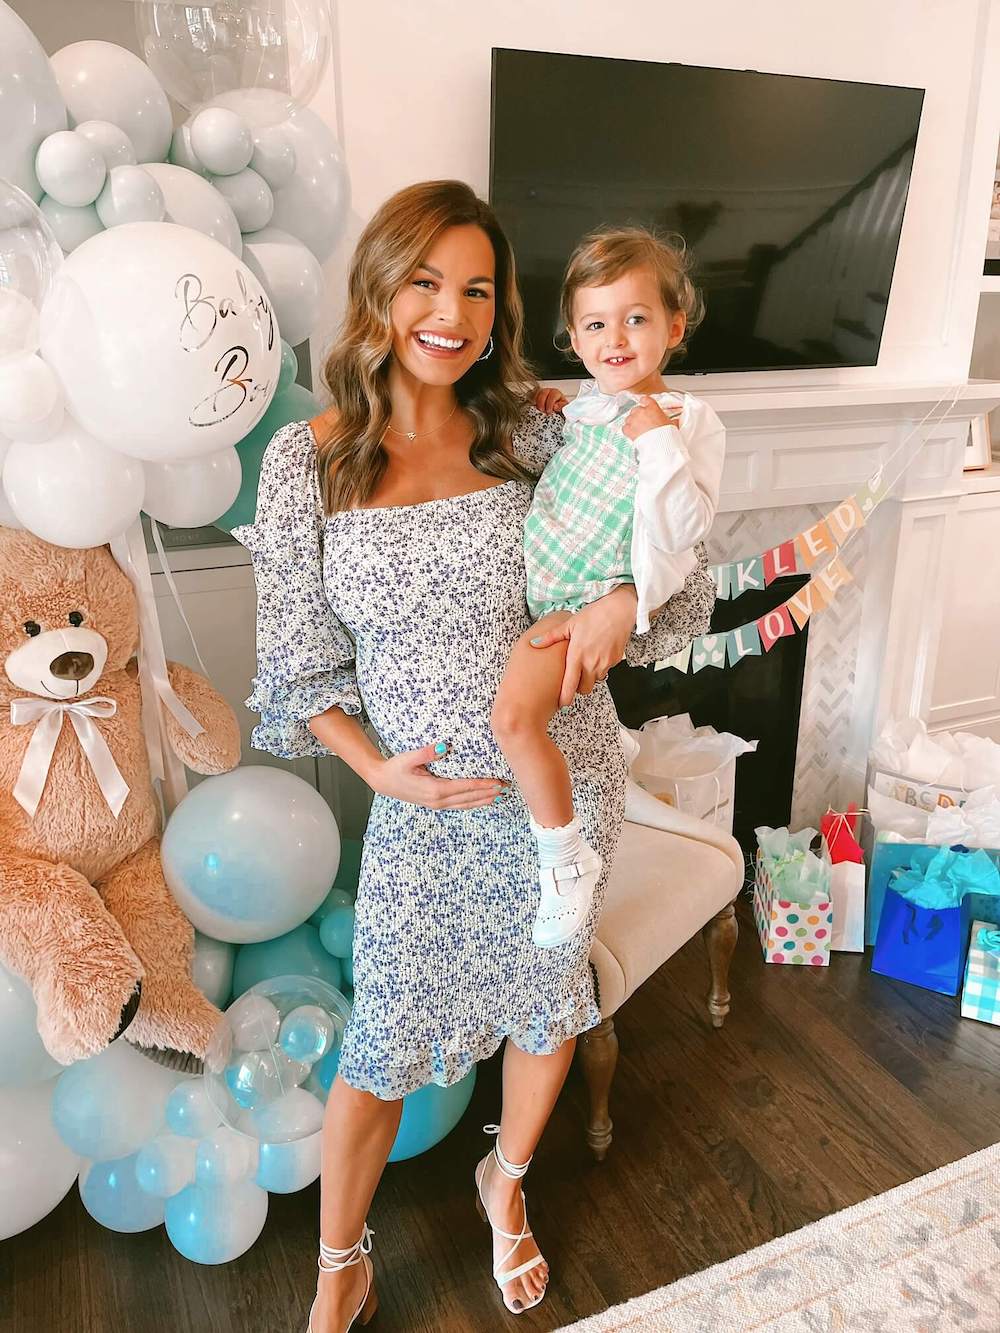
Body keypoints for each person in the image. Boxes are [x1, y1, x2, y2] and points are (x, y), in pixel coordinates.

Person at [234, 180, 715, 1332]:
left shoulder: (541, 428)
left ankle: (506, 1182)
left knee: (546, 1009)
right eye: (424, 283)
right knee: (384, 1046)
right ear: (379, 292)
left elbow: (677, 562)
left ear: (502, 308)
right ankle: (339, 1259)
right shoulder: (312, 462)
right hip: (427, 809)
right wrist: (375, 770)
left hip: (563, 784)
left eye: (479, 289)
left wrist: (615, 606)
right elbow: (296, 670)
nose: (450, 313)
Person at [492, 226, 726, 951]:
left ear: (673, 326)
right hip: (543, 594)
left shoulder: (689, 421)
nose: (615, 337)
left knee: (513, 722)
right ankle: (605, 761)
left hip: (580, 603)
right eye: (596, 323)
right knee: (526, 725)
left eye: (636, 318)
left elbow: (687, 527)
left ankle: (566, 859)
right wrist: (552, 410)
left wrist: (655, 438)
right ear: (574, 335)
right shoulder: (584, 411)